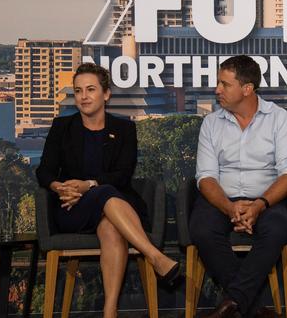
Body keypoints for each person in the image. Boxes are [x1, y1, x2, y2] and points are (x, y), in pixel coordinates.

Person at [36, 63, 181, 318]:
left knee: (110, 220)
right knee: (104, 192)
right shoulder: (62, 127)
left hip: (115, 207)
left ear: (106, 94)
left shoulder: (124, 129)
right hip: (72, 208)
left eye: (90, 89)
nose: (83, 96)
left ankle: (110, 310)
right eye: (78, 90)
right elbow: (44, 171)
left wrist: (88, 185)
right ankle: (155, 257)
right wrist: (62, 188)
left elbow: (122, 175)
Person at [191, 55, 287, 318]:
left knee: (277, 229)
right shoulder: (211, 123)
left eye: (224, 84)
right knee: (201, 230)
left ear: (247, 89)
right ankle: (254, 309)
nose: (217, 90)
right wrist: (230, 208)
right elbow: (205, 176)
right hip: (222, 200)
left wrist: (259, 205)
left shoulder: (278, 118)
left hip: (265, 198)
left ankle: (231, 305)